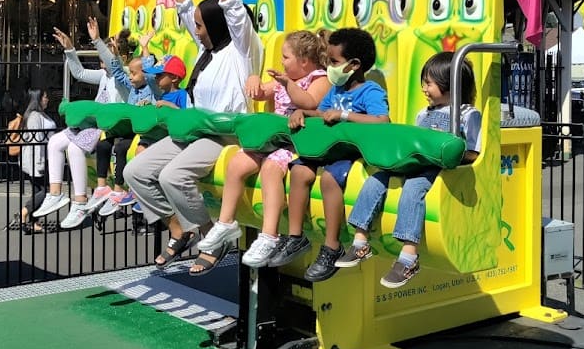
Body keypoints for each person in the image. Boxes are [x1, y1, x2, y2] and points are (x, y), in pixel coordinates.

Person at [123, 0, 263, 266]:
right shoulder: (208, 49)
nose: (196, 30)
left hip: (222, 135)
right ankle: (178, 228)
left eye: (201, 25)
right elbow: (184, 2)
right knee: (135, 172)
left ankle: (210, 237)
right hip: (194, 130)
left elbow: (230, 3)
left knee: (172, 176)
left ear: (218, 24)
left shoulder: (242, 48)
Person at [328, 53, 482, 288]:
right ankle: (360, 241)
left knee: (413, 187)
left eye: (429, 83)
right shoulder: (424, 113)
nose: (424, 89)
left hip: (437, 169)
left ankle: (409, 257)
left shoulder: (467, 115)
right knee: (376, 179)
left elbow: (474, 152)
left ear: (449, 84)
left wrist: (449, 152)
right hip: (414, 163)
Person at [190, 29, 330, 274]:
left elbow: (309, 102)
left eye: (286, 58)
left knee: (270, 168)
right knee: (237, 163)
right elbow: (261, 92)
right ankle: (225, 223)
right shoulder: (283, 79)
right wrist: (254, 81)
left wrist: (287, 84)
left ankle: (269, 235)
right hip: (271, 139)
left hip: (295, 143)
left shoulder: (319, 79)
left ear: (304, 61)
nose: (282, 62)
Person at [266, 27, 390, 280]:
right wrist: (302, 112)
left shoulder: (371, 92)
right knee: (299, 171)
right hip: (327, 149)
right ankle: (295, 237)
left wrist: (345, 115)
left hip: (350, 153)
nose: (330, 67)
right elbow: (321, 112)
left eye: (334, 62)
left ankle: (332, 246)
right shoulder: (335, 90)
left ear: (354, 65)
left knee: (329, 180)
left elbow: (382, 121)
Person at [32, 26, 120, 229]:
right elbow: (79, 73)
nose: (102, 64)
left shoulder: (121, 77)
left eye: (104, 59)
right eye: (100, 60)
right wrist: (70, 49)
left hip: (106, 125)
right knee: (54, 142)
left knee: (74, 148)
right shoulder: (104, 76)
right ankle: (55, 193)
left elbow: (114, 66)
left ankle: (80, 201)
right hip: (92, 123)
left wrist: (98, 41)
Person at [98, 41, 189, 218]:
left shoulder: (174, 94)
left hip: (164, 137)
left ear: (174, 78)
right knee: (130, 150)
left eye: (159, 75)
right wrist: (115, 56)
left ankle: (140, 193)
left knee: (129, 150)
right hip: (148, 134)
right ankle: (134, 191)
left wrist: (146, 48)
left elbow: (184, 115)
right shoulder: (153, 92)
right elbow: (119, 73)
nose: (155, 78)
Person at [13, 89, 57, 233]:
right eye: (45, 97)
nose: (47, 99)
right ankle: (23, 213)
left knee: (38, 190)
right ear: (37, 99)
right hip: (36, 160)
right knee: (46, 192)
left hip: (44, 157)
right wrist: (40, 163)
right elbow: (35, 141)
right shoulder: (34, 117)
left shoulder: (40, 114)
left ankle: (34, 222)